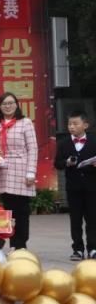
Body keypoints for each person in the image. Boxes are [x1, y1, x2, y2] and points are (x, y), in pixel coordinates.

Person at [0, 92, 38, 250]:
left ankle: (21, 244)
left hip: (21, 169)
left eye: (11, 103)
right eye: (4, 104)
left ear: (16, 105)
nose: (8, 106)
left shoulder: (25, 122)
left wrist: (31, 172)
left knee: (22, 209)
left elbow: (32, 148)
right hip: (3, 170)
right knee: (8, 210)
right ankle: (12, 243)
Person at [53, 111, 96, 260]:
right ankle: (77, 249)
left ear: (85, 125)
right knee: (75, 220)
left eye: (75, 123)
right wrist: (67, 162)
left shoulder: (94, 140)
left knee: (92, 219)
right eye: (69, 124)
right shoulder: (63, 143)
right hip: (73, 188)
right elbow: (57, 163)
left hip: (92, 187)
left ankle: (93, 248)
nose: (71, 126)